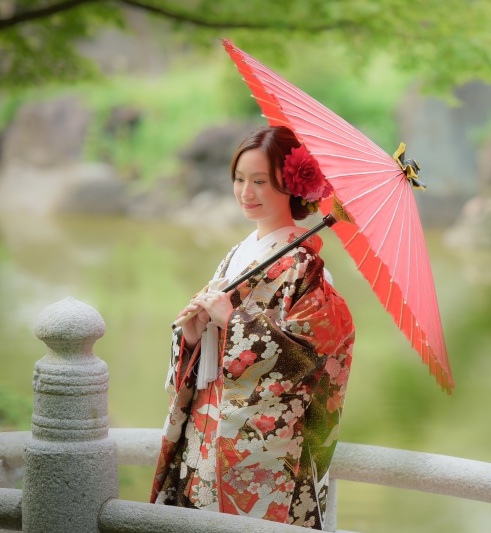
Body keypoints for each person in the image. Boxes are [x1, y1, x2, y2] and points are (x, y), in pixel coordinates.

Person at [150, 125, 355, 530]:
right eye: (239, 180)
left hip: (263, 449)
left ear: (293, 185)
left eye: (260, 181)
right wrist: (193, 334)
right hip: (205, 434)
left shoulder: (306, 269)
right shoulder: (239, 254)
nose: (246, 192)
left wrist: (233, 321)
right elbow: (203, 343)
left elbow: (311, 362)